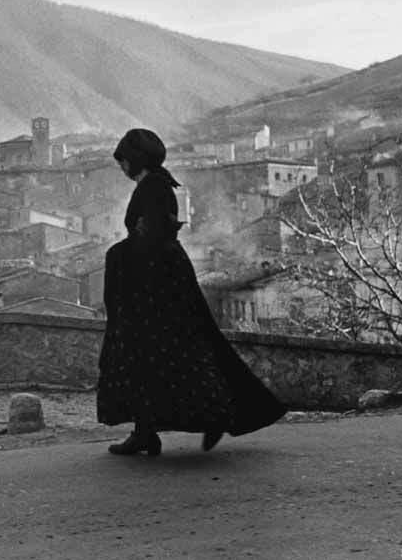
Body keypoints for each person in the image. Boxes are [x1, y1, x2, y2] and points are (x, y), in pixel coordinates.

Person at [97, 128, 287, 456]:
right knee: (158, 352)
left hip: (154, 285)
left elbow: (153, 236)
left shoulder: (154, 186)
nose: (122, 168)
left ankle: (208, 415)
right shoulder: (159, 183)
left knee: (164, 351)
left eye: (124, 161)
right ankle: (147, 430)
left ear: (134, 159)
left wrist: (121, 254)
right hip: (159, 278)